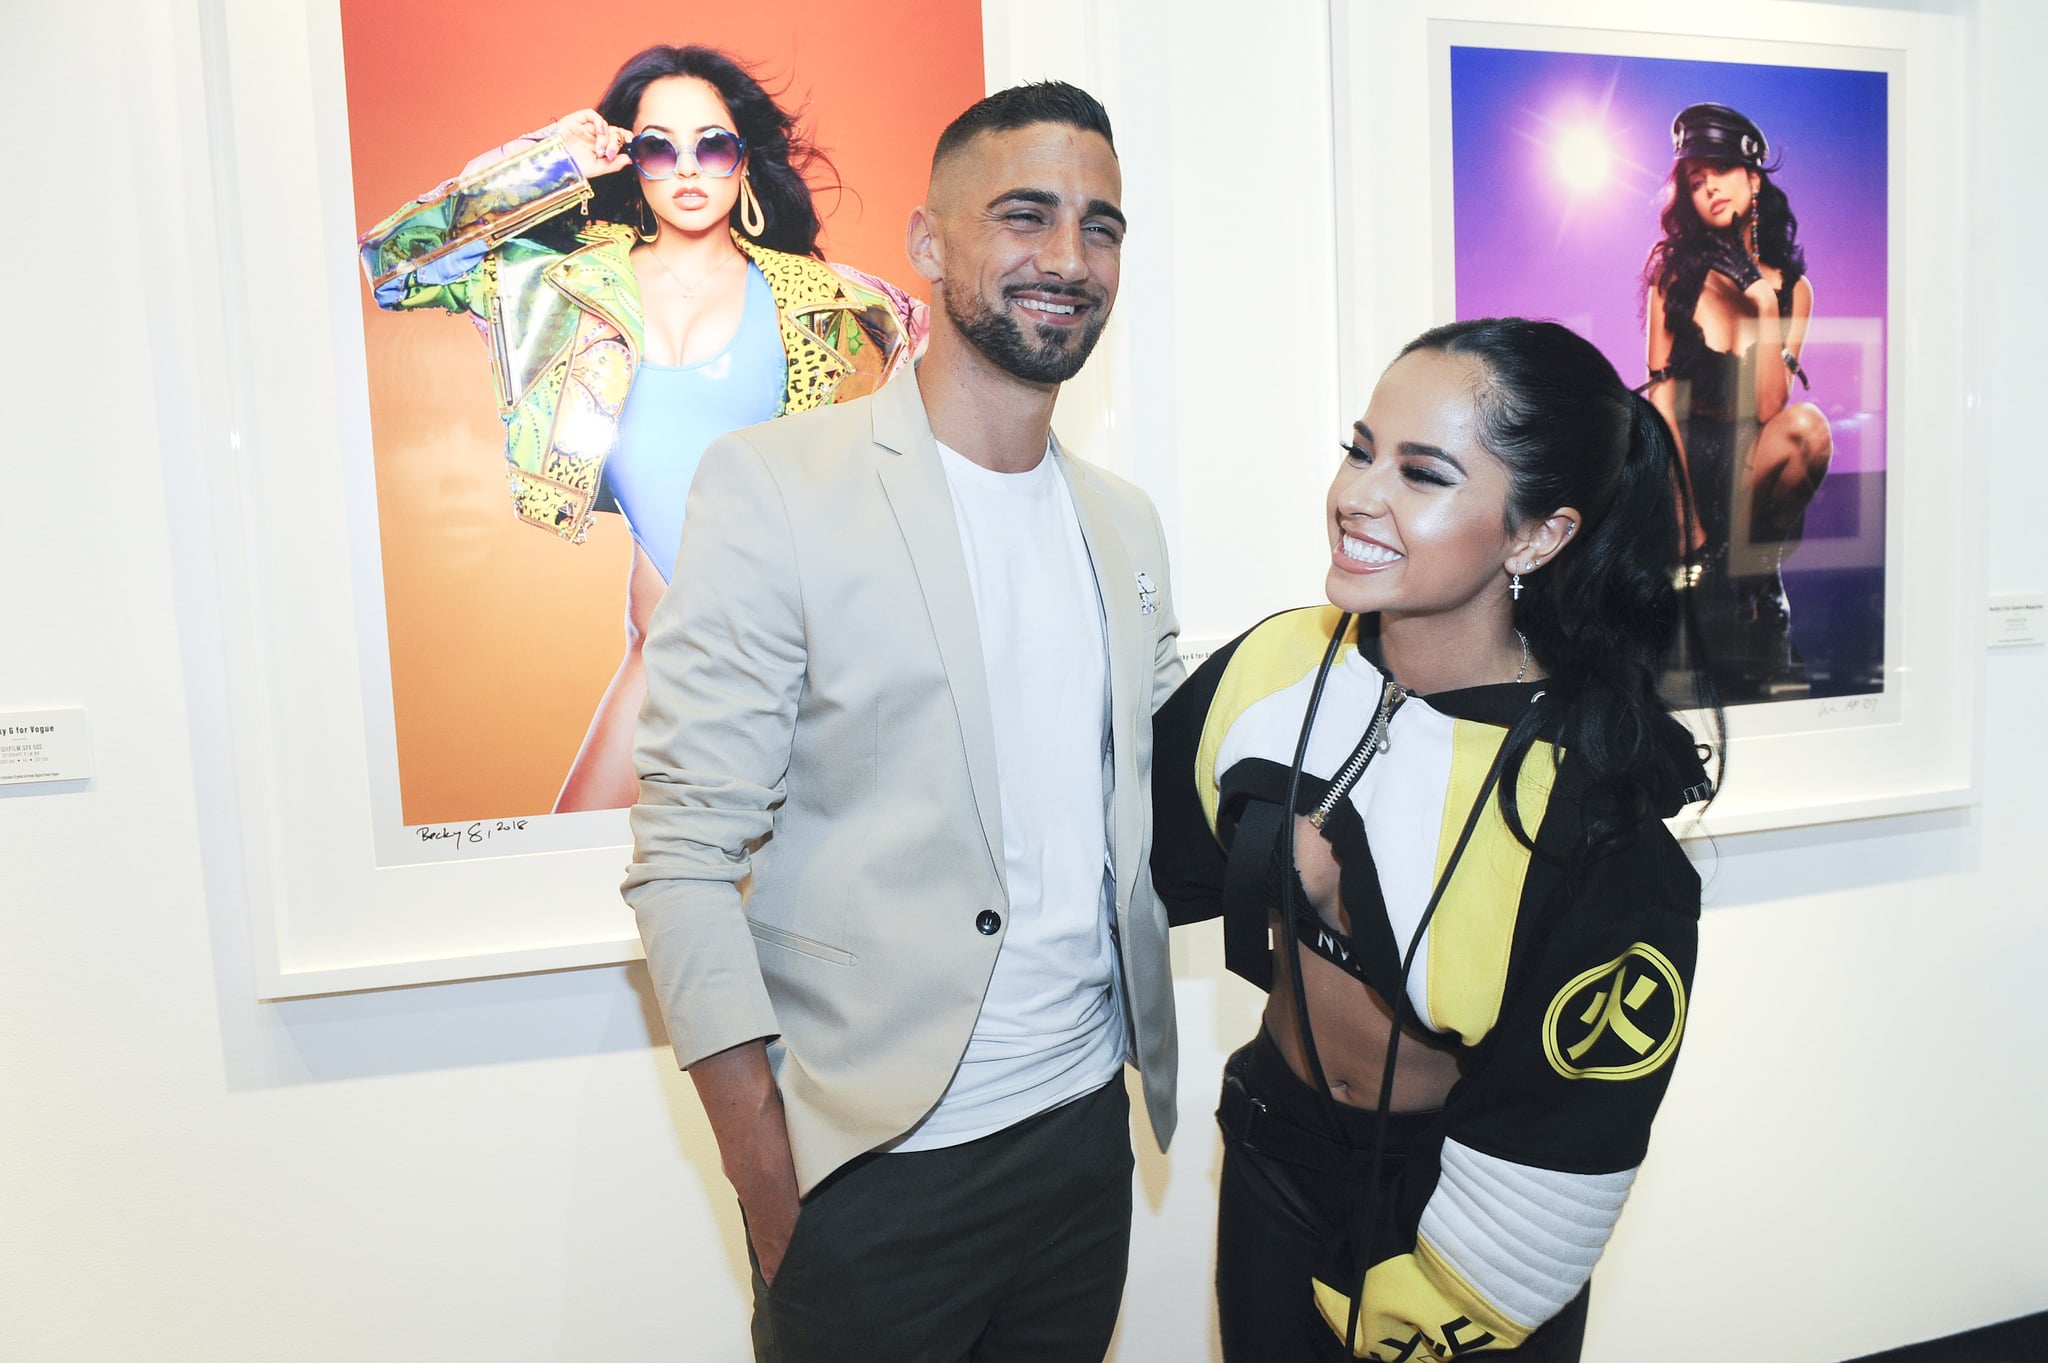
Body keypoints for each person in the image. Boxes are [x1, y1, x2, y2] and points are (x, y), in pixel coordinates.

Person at [621, 82, 1181, 1363]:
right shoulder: (775, 486)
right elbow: (684, 853)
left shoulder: (1125, 525)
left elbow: (1158, 808)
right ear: (929, 246)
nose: (1067, 257)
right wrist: (765, 1165)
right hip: (873, 1172)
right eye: (1025, 215)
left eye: (1100, 227)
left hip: (1082, 1139)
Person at [1152, 318, 1721, 1361]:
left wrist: (1458, 1296)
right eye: (1358, 448)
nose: (1358, 494)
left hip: (1461, 1213)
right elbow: (1122, 854)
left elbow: (1570, 1119)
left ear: (1536, 536)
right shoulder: (1274, 664)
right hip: (1271, 1161)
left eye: (1420, 472)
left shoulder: (1584, 802)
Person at [357, 44, 925, 813]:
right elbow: (395, 264)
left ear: (745, 162)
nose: (688, 168)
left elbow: (925, 449)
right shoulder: (565, 282)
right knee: (564, 878)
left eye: (713, 145)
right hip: (657, 657)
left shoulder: (825, 303)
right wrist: (553, 161)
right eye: (659, 148)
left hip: (790, 671)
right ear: (632, 161)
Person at [1643, 101, 1833, 703]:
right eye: (1695, 181)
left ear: (1753, 178)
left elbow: (1772, 405)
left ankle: (1753, 578)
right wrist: (1685, 519)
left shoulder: (1792, 289)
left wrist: (1758, 302)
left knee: (1808, 429)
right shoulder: (1672, 275)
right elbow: (1664, 404)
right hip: (1686, 459)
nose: (1709, 189)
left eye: (1720, 170)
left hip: (1752, 463)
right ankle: (1722, 582)